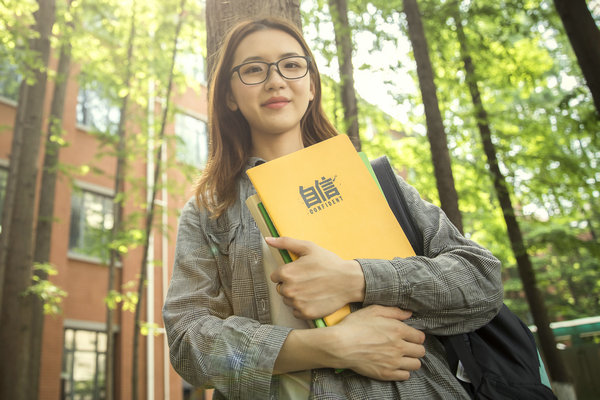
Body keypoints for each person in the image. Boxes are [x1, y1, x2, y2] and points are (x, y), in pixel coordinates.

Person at [163, 16, 504, 400]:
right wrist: (332, 345)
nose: (275, 80)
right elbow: (187, 343)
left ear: (311, 85)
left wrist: (355, 278)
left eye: (291, 65)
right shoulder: (210, 210)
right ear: (229, 96)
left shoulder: (370, 179)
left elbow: (482, 282)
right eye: (254, 70)